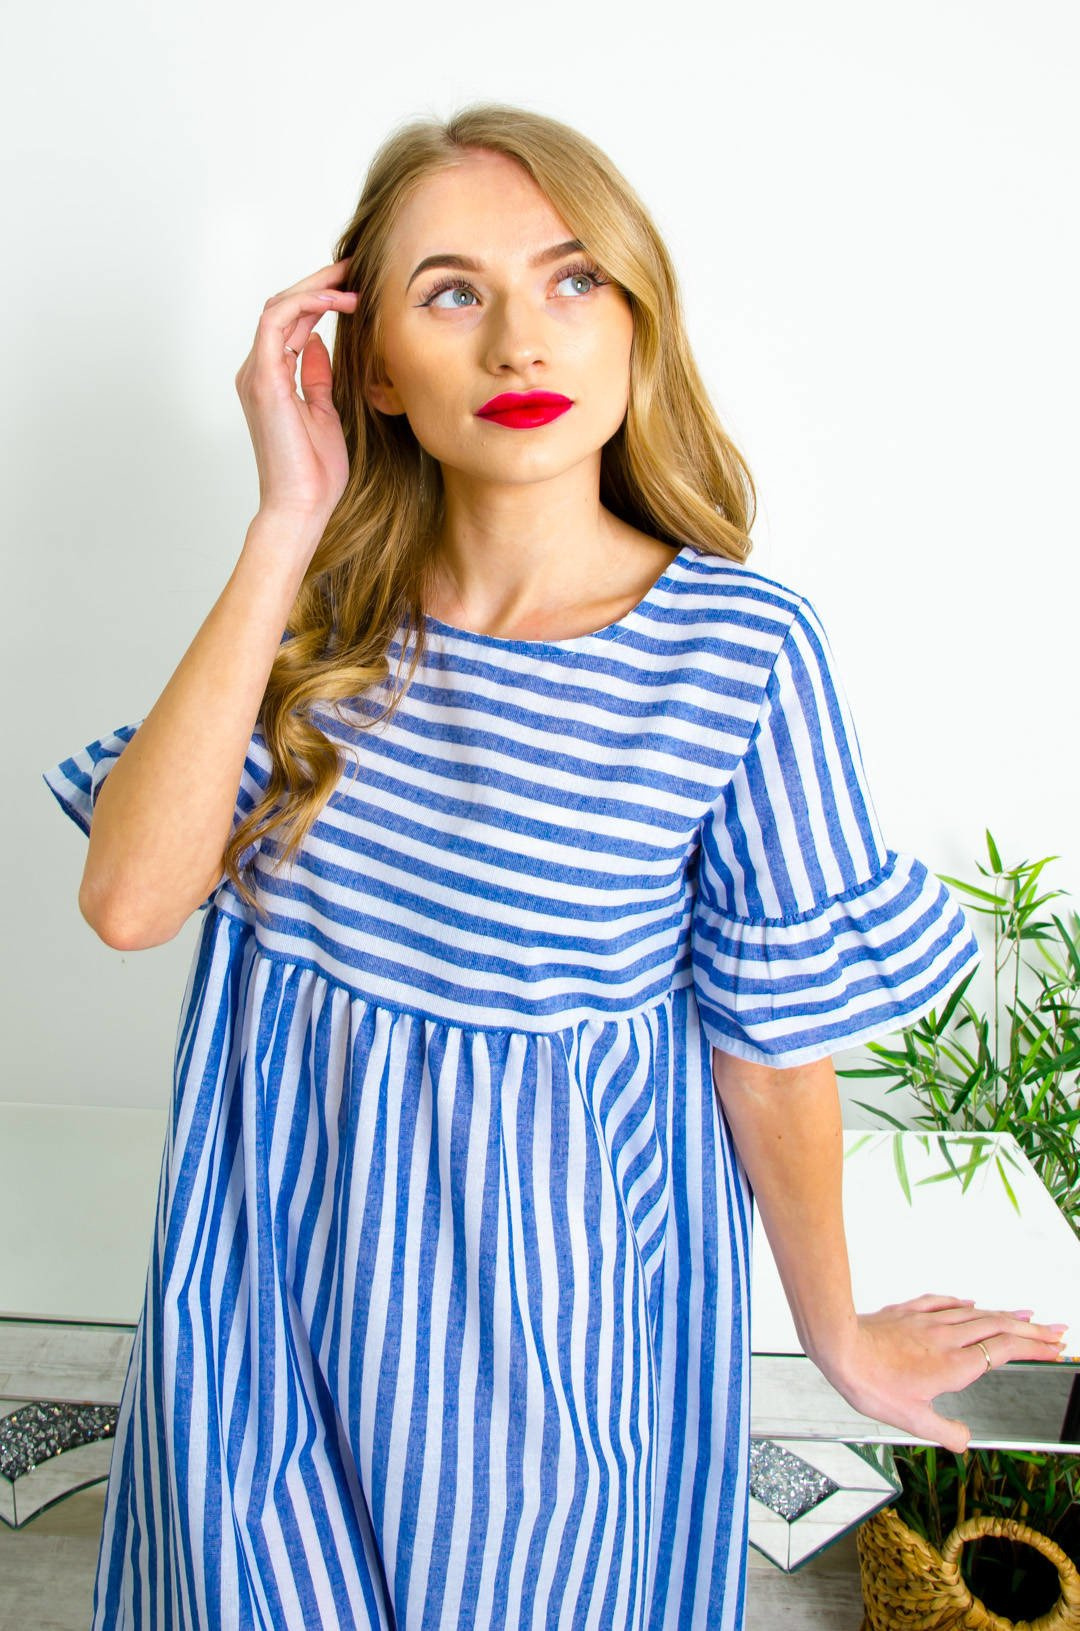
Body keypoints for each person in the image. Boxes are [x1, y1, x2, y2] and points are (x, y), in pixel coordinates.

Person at [43, 103, 1068, 1631]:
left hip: (548, 1337)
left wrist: (837, 1330)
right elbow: (129, 901)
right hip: (260, 1320)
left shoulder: (737, 653)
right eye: (451, 291)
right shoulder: (313, 627)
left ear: (637, 320)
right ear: (371, 364)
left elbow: (772, 1050)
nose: (521, 338)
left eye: (574, 278)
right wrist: (285, 519)